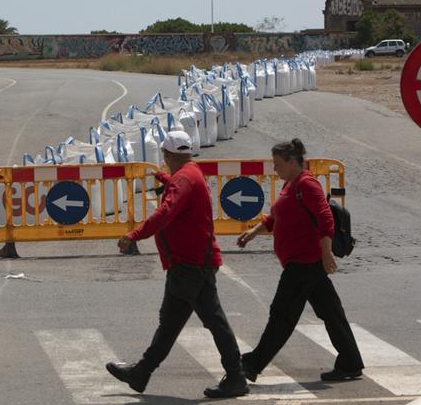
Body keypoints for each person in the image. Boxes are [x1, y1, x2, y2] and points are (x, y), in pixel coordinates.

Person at [106, 130, 249, 398]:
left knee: (214, 321)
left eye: (164, 156)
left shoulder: (183, 179)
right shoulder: (189, 173)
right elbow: (179, 189)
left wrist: (134, 234)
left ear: (169, 155)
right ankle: (142, 372)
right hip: (187, 264)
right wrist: (164, 179)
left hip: (191, 266)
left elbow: (166, 212)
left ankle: (236, 377)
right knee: (171, 322)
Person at [236, 138, 364, 382]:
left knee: (282, 315)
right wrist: (252, 233)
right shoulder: (289, 185)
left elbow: (325, 219)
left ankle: (252, 364)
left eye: (277, 163)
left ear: (293, 161)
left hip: (304, 262)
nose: (274, 169)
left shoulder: (307, 184)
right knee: (331, 312)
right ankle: (350, 362)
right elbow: (275, 219)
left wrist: (326, 253)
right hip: (306, 263)